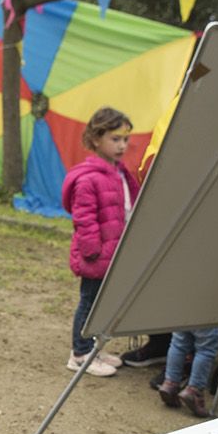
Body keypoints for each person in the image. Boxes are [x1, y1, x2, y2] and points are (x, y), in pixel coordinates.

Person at [63, 107, 140, 377]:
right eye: (114, 139)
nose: (122, 145)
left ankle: (93, 348)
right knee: (89, 302)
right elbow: (84, 219)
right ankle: (80, 353)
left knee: (100, 303)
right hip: (97, 256)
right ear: (97, 139)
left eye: (124, 139)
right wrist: (93, 251)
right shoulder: (89, 178)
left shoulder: (118, 172)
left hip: (114, 253)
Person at [157, 327, 218, 417]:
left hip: (184, 315)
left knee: (177, 345)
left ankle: (170, 383)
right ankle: (194, 391)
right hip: (210, 316)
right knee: (205, 350)